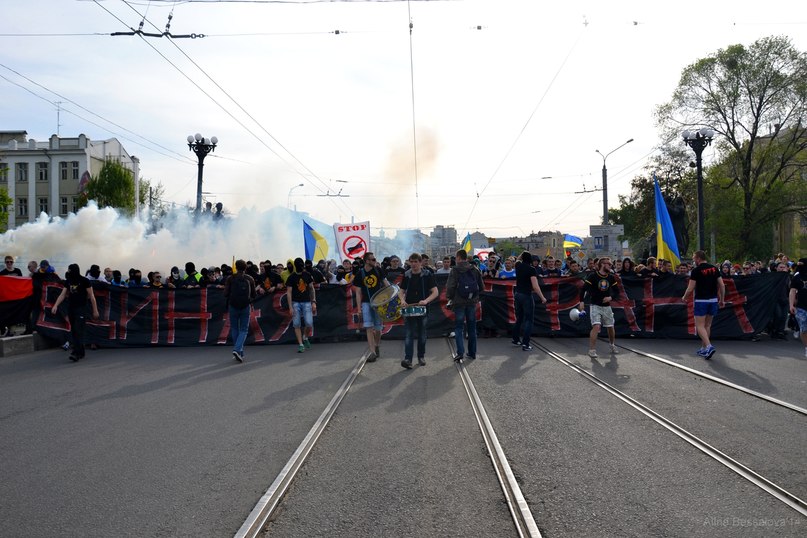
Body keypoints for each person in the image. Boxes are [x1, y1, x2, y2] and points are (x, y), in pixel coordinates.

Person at [51, 263, 99, 362]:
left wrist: (95, 310)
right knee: (74, 331)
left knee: (78, 330)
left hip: (81, 308)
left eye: (70, 270)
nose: (69, 272)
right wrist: (55, 305)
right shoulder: (68, 281)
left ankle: (75, 353)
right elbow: (63, 294)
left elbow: (92, 296)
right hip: (71, 308)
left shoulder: (85, 281)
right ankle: (81, 352)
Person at [682, 250, 725, 359]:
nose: (693, 260)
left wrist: (684, 297)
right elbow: (722, 285)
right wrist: (722, 299)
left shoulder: (696, 271)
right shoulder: (714, 268)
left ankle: (709, 346)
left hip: (701, 300)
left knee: (699, 326)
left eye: (693, 258)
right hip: (713, 300)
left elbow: (690, 288)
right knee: (707, 326)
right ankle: (704, 348)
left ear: (698, 258)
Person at [398, 253, 438, 368]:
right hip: (410, 308)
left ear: (420, 262)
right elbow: (401, 291)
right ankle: (408, 359)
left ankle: (421, 356)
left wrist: (426, 301)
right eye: (412, 262)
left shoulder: (427, 275)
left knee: (422, 334)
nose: (414, 264)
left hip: (423, 308)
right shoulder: (406, 275)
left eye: (416, 262)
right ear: (409, 262)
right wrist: (402, 300)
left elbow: (435, 292)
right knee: (409, 334)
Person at [446, 248, 484, 361]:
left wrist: (450, 298)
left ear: (458, 257)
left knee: (459, 328)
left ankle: (460, 352)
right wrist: (475, 297)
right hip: (472, 302)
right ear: (466, 257)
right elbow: (481, 287)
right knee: (472, 328)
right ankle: (472, 353)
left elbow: (451, 286)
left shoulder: (455, 270)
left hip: (459, 302)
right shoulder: (475, 269)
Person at [578, 257, 620, 358]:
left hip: (607, 306)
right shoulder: (593, 276)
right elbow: (583, 289)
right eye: (609, 264)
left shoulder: (611, 277)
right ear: (602, 264)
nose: (611, 266)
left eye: (610, 265)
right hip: (595, 305)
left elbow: (617, 292)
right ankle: (592, 350)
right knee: (596, 326)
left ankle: (612, 344)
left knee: (610, 326)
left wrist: (610, 297)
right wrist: (581, 302)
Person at [353, 252, 390, 362]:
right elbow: (358, 292)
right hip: (366, 302)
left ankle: (377, 345)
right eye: (372, 259)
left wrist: (389, 297)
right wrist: (359, 308)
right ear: (367, 261)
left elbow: (386, 284)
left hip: (378, 303)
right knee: (368, 327)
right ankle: (372, 352)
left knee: (378, 328)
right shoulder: (360, 273)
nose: (375, 261)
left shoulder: (378, 270)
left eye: (374, 259)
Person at [510, 251, 548, 351]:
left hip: (517, 294)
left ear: (522, 258)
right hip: (526, 295)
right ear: (530, 260)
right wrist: (542, 297)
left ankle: (515, 339)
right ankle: (525, 343)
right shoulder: (532, 270)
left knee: (519, 317)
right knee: (529, 320)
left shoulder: (518, 265)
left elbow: (517, 259)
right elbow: (535, 286)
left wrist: (522, 254)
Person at [225, 259, 256, 363]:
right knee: (244, 329)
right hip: (245, 306)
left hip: (233, 306)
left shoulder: (230, 278)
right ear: (245, 268)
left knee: (234, 328)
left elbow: (225, 293)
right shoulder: (250, 279)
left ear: (236, 267)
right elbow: (254, 295)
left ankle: (239, 351)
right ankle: (238, 350)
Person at [286, 257, 317, 353]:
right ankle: (300, 344)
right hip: (295, 303)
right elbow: (289, 292)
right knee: (296, 324)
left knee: (309, 323)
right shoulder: (291, 277)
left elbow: (312, 289)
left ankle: (305, 337)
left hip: (307, 302)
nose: (301, 266)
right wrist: (290, 306)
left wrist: (314, 302)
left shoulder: (307, 275)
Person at [788, 258, 807, 358]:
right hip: (801, 307)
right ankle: (806, 348)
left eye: (802, 264)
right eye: (799, 265)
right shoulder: (797, 276)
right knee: (804, 330)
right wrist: (791, 305)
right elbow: (792, 291)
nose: (800, 267)